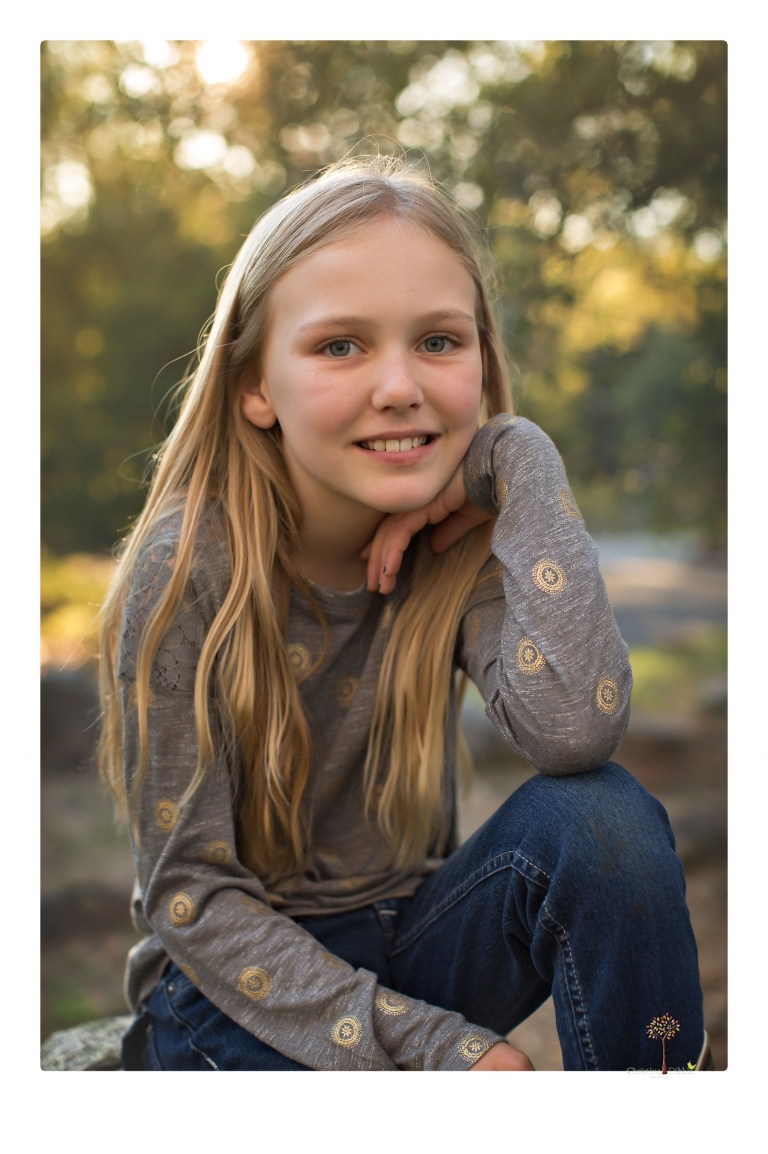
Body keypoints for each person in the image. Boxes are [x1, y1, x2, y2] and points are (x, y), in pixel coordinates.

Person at [100, 155, 707, 1072]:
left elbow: (577, 732)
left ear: (482, 360)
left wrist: (523, 465)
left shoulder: (468, 545)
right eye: (340, 346)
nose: (398, 386)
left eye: (438, 341)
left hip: (412, 941)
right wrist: (437, 1053)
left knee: (606, 821)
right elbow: (189, 898)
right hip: (230, 991)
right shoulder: (188, 566)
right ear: (254, 386)